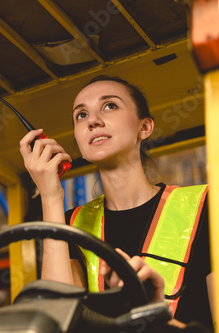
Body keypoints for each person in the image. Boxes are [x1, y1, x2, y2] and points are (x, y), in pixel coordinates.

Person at [19, 75, 213, 330]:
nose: (93, 121)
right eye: (81, 115)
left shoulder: (206, 205)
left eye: (110, 106)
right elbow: (56, 321)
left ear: (144, 127)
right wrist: (50, 196)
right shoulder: (69, 225)